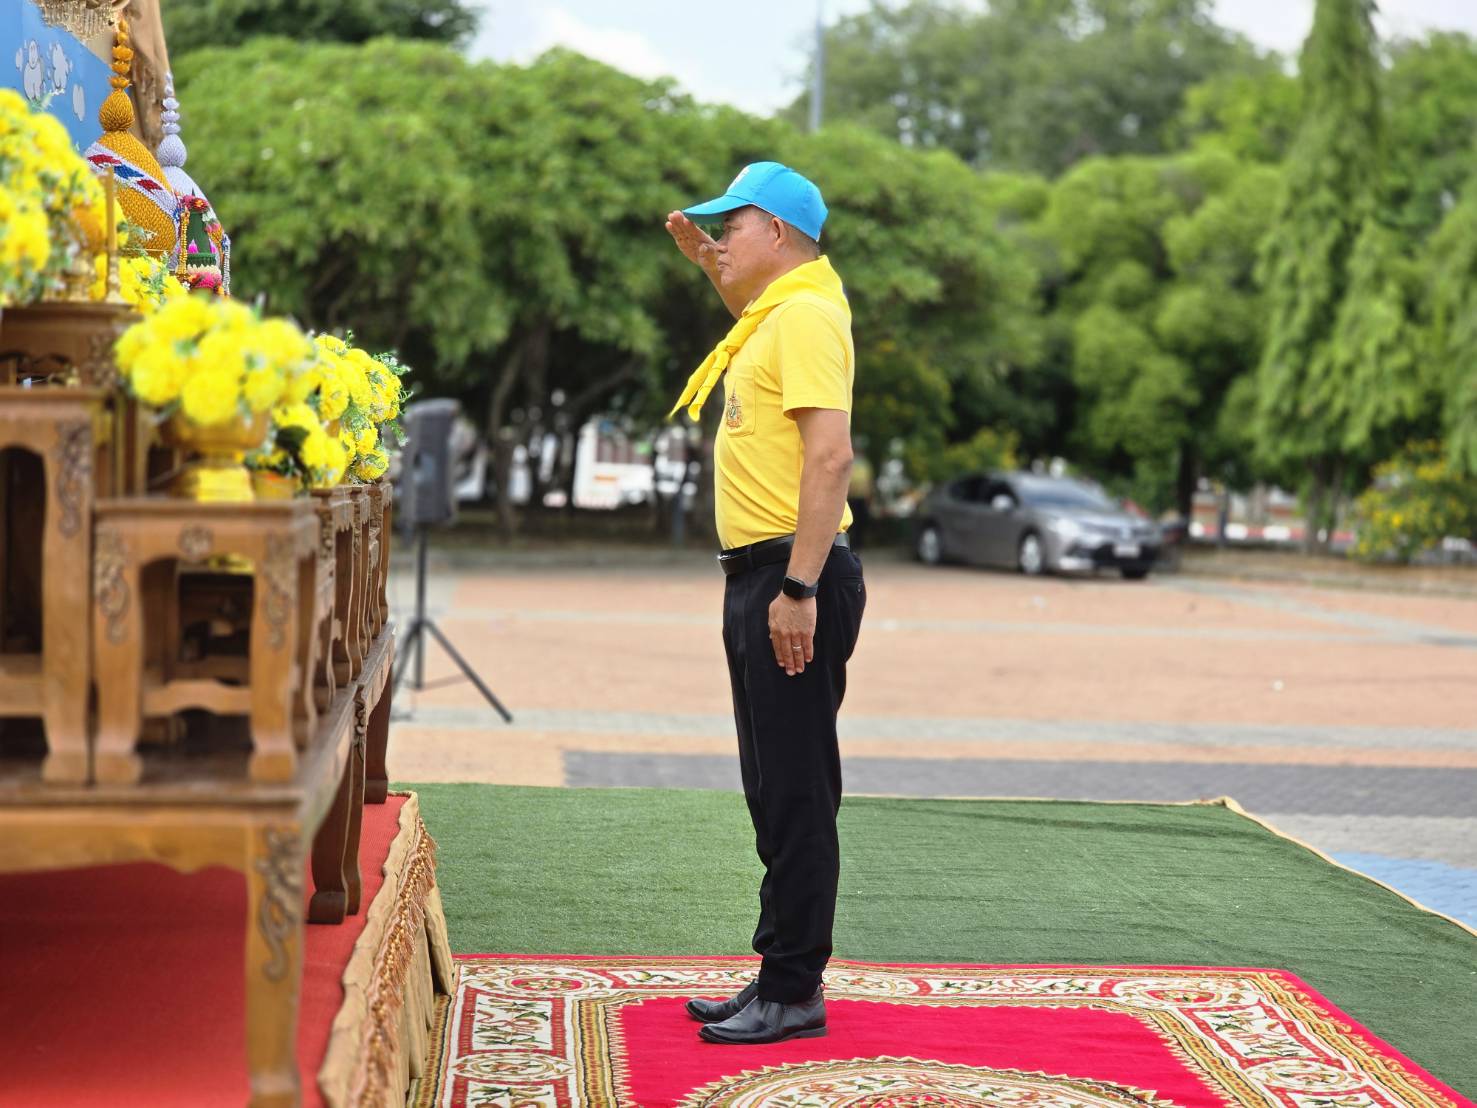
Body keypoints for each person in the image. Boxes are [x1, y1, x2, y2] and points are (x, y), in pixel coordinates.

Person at [663, 162, 866, 1046]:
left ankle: (794, 989)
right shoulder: (779, 314)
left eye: (731, 226)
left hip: (791, 577)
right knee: (770, 787)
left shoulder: (809, 316)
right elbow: (750, 311)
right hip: (762, 575)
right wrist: (715, 268)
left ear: (776, 233)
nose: (718, 239)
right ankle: (776, 973)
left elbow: (830, 457)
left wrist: (798, 588)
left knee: (795, 791)